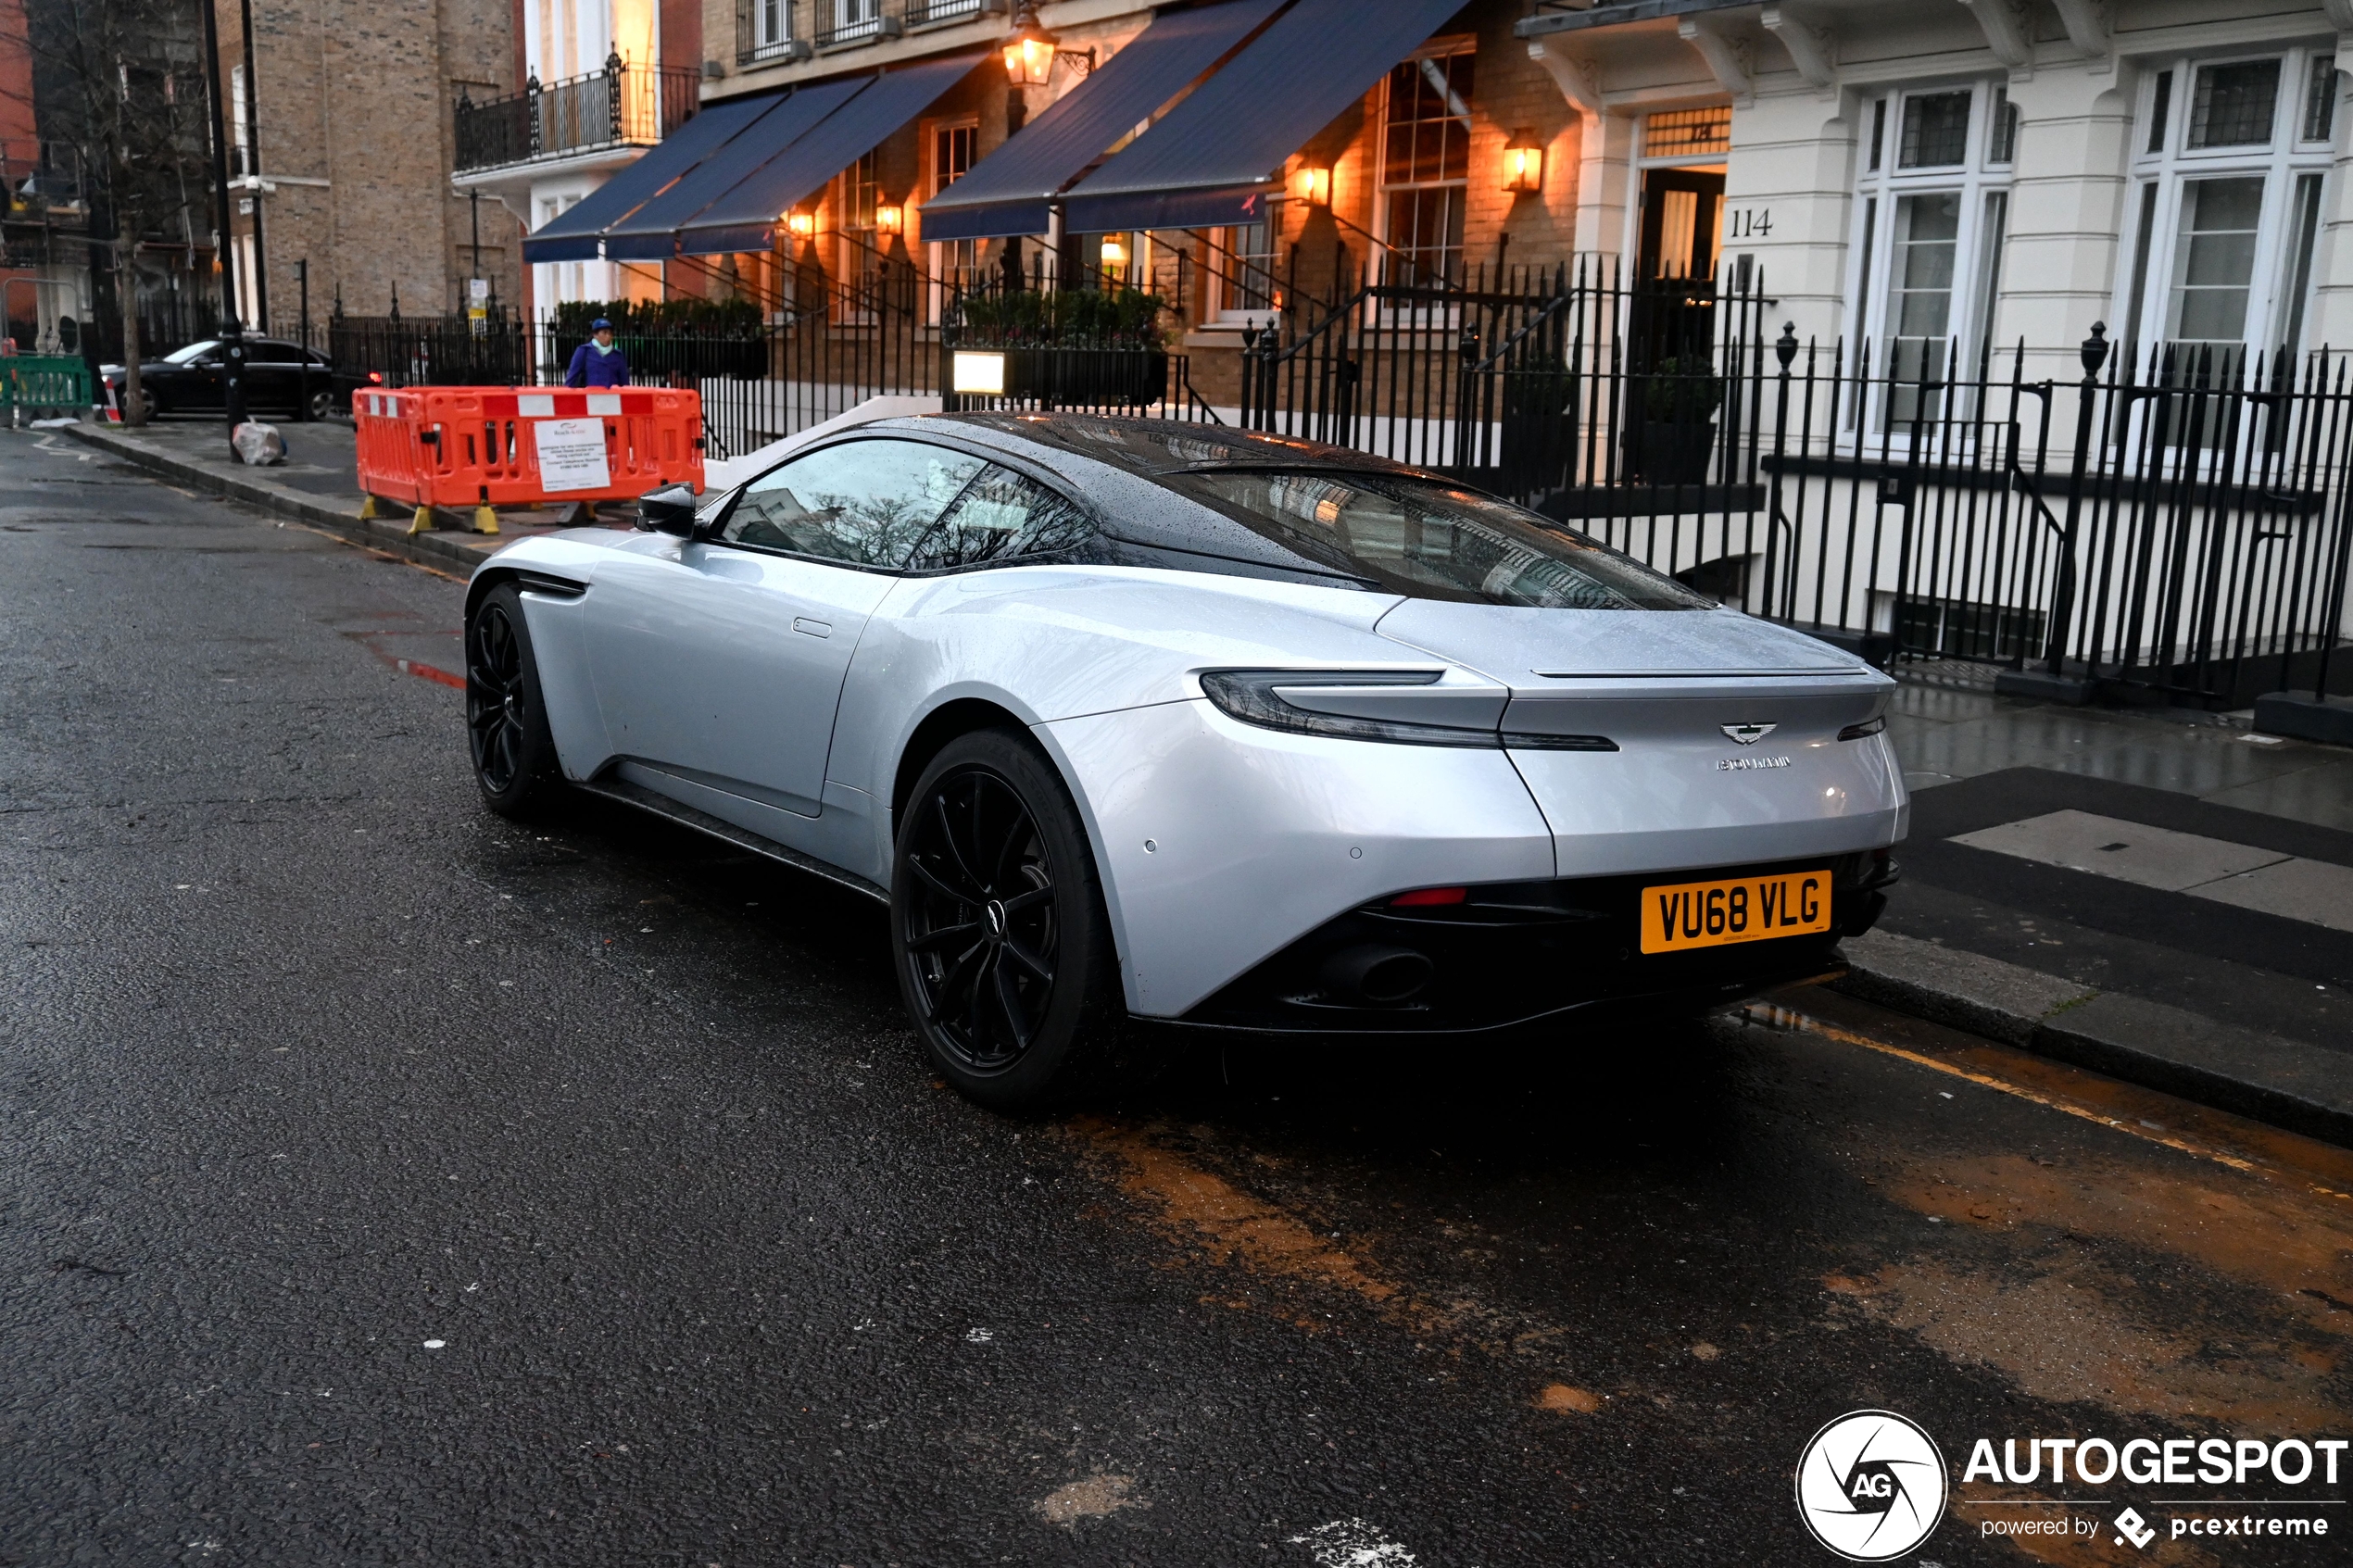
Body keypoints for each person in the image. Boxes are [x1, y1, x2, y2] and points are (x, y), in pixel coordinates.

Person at [565, 318, 629, 388]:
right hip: (592, 395)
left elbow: (624, 382)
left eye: (610, 333)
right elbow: (572, 376)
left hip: (612, 396)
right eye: (604, 332)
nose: (608, 336)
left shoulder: (617, 355)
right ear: (595, 335)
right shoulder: (584, 351)